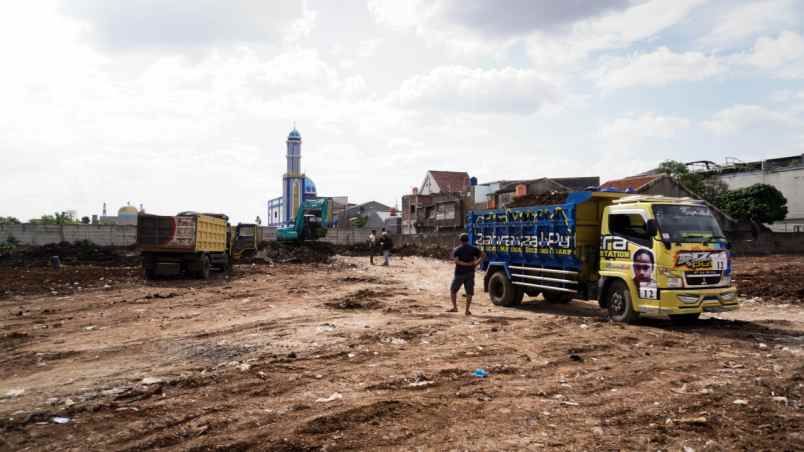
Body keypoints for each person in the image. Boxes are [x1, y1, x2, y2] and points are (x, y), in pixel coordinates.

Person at [450, 233, 485, 316]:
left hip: (459, 273)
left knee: (453, 290)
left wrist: (464, 264)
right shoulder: (473, 248)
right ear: (468, 240)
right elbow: (483, 255)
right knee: (469, 293)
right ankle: (467, 310)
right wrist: (476, 263)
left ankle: (455, 308)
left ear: (460, 240)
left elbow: (455, 260)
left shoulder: (457, 249)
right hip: (470, 273)